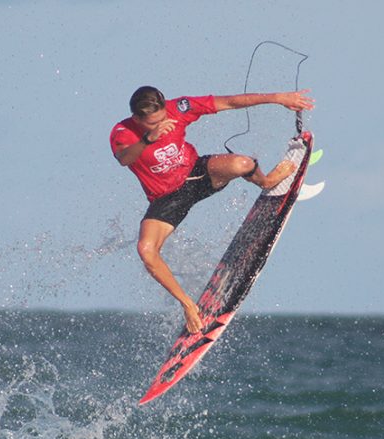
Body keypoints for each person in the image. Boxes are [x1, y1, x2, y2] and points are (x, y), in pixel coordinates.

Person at [111, 86, 315, 333]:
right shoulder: (123, 132)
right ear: (137, 120)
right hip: (166, 199)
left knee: (243, 163)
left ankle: (266, 181)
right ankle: (188, 305)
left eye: (163, 118)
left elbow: (229, 102)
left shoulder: (179, 108)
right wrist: (148, 139)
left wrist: (278, 98)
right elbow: (125, 158)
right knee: (146, 250)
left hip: (198, 174)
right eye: (153, 123)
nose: (162, 124)